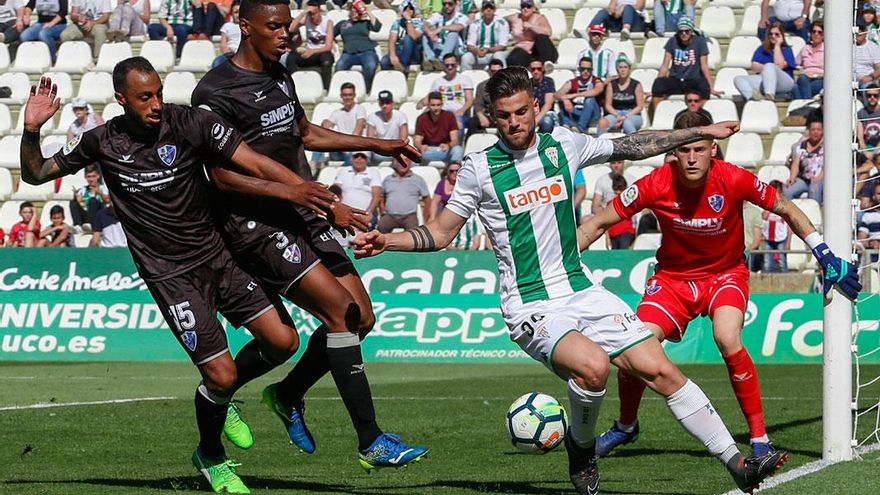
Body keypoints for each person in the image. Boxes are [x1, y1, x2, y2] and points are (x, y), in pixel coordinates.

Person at [353, 66, 791, 495]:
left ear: (536, 107)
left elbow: (633, 144)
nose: (514, 122)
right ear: (491, 116)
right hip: (530, 303)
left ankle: (735, 463)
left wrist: (697, 133)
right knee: (594, 366)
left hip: (581, 288)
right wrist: (388, 241)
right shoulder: (479, 169)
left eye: (521, 112)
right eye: (504, 115)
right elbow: (441, 233)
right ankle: (582, 450)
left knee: (661, 370)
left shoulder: (564, 144)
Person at [20, 64, 357, 493]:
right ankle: (211, 456)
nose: (156, 104)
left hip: (220, 257)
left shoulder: (189, 122)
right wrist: (31, 130)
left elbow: (252, 160)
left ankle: (224, 399)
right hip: (171, 276)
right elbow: (35, 173)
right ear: (121, 99)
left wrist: (301, 192)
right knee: (221, 375)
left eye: (159, 93)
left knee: (283, 342)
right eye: (145, 98)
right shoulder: (100, 140)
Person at [191, 0, 428, 474]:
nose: (285, 34)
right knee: (340, 314)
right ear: (245, 26)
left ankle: (287, 393)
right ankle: (370, 441)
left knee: (362, 319)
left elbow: (304, 133)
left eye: (287, 25)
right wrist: (297, 191)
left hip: (304, 210)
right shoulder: (215, 91)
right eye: (274, 26)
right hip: (257, 225)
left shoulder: (280, 74)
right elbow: (222, 176)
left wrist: (378, 144)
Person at [579, 111, 860, 464]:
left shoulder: (733, 178)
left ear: (713, 148)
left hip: (725, 275)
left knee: (727, 338)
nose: (691, 158)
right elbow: (598, 224)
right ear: (673, 150)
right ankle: (626, 425)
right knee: (634, 347)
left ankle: (759, 439)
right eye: (684, 149)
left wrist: (823, 253)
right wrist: (558, 261)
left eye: (699, 149)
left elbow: (786, 207)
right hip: (672, 280)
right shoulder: (654, 183)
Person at [650, 17, 717, 111]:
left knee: (704, 86)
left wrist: (711, 88)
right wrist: (655, 89)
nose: (684, 34)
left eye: (687, 31)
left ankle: (700, 114)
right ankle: (658, 114)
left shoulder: (700, 42)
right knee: (658, 83)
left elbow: (704, 66)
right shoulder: (673, 41)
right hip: (676, 80)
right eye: (681, 32)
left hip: (693, 80)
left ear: (691, 31)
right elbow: (665, 66)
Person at [734, 22, 797, 101]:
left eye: (777, 34)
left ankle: (769, 95)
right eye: (771, 34)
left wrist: (777, 45)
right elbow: (754, 66)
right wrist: (768, 70)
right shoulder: (762, 49)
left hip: (785, 83)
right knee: (738, 79)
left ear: (781, 36)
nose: (773, 36)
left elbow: (779, 65)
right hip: (765, 80)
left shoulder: (787, 50)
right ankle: (752, 98)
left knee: (769, 66)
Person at [334, 0, 381, 93]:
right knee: (340, 66)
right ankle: (343, 91)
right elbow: (330, 34)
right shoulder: (343, 24)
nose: (355, 15)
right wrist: (332, 41)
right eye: (353, 12)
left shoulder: (365, 23)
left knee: (370, 65)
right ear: (350, 11)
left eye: (358, 12)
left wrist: (367, 11)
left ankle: (366, 90)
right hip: (349, 53)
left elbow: (377, 27)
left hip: (367, 51)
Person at [286, 0, 334, 91]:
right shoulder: (307, 19)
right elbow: (291, 29)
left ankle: (326, 88)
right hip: (309, 53)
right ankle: (292, 86)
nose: (312, 16)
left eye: (314, 14)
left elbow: (328, 47)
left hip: (321, 52)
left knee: (327, 58)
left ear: (319, 11)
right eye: (310, 14)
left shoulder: (328, 22)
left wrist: (312, 51)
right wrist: (304, 12)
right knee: (291, 57)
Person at [317, 82, 367, 166]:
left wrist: (348, 143)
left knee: (351, 156)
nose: (347, 97)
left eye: (350, 95)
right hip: (340, 148)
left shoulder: (359, 109)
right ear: (341, 96)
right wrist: (324, 122)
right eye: (345, 95)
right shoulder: (337, 113)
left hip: (354, 147)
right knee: (319, 140)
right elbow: (326, 126)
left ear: (354, 95)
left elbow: (359, 126)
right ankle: (315, 163)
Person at [377, 157, 431, 233]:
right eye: (400, 160)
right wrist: (382, 211)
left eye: (406, 160)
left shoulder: (418, 180)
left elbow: (427, 200)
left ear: (410, 162)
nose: (403, 163)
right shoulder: (388, 179)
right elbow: (381, 197)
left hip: (409, 216)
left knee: (413, 233)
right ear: (395, 162)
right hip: (390, 215)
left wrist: (426, 218)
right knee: (381, 227)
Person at [597, 55, 644, 136]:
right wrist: (617, 115)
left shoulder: (636, 84)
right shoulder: (612, 84)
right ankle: (600, 143)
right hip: (615, 113)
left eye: (625, 67)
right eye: (620, 67)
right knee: (602, 122)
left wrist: (625, 116)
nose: (623, 70)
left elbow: (640, 106)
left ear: (629, 69)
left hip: (632, 114)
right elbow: (608, 105)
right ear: (617, 69)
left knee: (627, 123)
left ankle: (635, 142)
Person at [555, 56, 604, 134]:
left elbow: (596, 91)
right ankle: (567, 125)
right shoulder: (573, 82)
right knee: (561, 101)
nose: (585, 71)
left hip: (593, 115)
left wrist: (574, 95)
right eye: (583, 69)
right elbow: (556, 95)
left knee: (589, 100)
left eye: (588, 69)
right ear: (579, 69)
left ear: (592, 70)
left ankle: (580, 128)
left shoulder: (596, 81)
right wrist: (565, 99)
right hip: (576, 112)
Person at [414, 91, 464, 164]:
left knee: (458, 150)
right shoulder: (422, 119)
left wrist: (448, 145)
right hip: (428, 150)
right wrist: (420, 146)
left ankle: (454, 170)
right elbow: (417, 140)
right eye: (433, 105)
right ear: (428, 105)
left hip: (445, 150)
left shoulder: (449, 116)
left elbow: (455, 140)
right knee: (413, 152)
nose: (436, 108)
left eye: (438, 105)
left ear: (442, 105)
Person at [334, 152, 382, 225]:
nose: (359, 159)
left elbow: (377, 196)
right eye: (356, 156)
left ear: (367, 160)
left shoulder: (373, 172)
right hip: (345, 213)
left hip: (365, 213)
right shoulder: (343, 171)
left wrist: (368, 212)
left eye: (363, 157)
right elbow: (336, 191)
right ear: (352, 159)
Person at [504, 0, 555, 68]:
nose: (525, 9)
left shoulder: (539, 18)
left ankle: (547, 64)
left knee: (542, 37)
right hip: (523, 51)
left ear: (533, 8)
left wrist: (531, 27)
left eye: (528, 6)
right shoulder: (515, 17)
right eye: (523, 6)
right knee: (514, 57)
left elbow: (548, 32)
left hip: (539, 51)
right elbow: (501, 20)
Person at [784, 118, 824, 203]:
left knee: (814, 190)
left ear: (823, 131)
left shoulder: (827, 146)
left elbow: (829, 166)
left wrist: (819, 177)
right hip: (804, 179)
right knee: (787, 190)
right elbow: (796, 163)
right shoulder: (802, 146)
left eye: (818, 130)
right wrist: (792, 177)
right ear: (809, 131)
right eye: (813, 130)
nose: (815, 132)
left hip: (820, 178)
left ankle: (815, 211)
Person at [422, 0, 469, 72]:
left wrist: (441, 28)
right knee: (425, 34)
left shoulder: (462, 17)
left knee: (453, 33)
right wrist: (430, 33)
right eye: (444, 4)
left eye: (450, 4)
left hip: (456, 49)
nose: (447, 6)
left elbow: (459, 26)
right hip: (440, 46)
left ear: (456, 4)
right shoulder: (438, 15)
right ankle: (430, 61)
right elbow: (425, 24)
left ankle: (441, 60)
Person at [461, 0, 508, 71]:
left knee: (498, 55)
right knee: (466, 57)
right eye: (486, 8)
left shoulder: (502, 23)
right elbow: (470, 45)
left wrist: (488, 50)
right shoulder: (475, 23)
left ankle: (503, 77)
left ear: (494, 10)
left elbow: (503, 46)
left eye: (491, 8)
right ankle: (465, 77)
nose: (488, 10)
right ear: (482, 10)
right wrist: (477, 51)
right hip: (479, 53)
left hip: (495, 52)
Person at [380, 0, 422, 74]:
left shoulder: (420, 22)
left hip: (413, 54)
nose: (408, 10)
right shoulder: (397, 23)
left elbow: (413, 36)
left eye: (411, 8)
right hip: (399, 51)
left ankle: (402, 67)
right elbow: (392, 40)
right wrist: (392, 55)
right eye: (405, 8)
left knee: (408, 38)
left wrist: (408, 20)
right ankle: (396, 76)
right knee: (384, 62)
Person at [367, 90, 409, 164]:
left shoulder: (401, 116)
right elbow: (370, 139)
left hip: (396, 148)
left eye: (387, 102)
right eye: (382, 103)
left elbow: (404, 139)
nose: (384, 106)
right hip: (379, 149)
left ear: (392, 103)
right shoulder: (372, 117)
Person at [465, 57, 502, 135]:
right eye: (493, 71)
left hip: (503, 115)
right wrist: (481, 116)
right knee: (472, 122)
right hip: (488, 115)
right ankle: (472, 142)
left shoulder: (510, 86)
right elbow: (478, 104)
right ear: (489, 71)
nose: (496, 74)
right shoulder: (482, 86)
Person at [762, 180, 790, 273]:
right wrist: (770, 205)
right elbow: (764, 217)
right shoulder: (766, 204)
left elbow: (789, 226)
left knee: (782, 262)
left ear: (781, 192)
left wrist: (788, 243)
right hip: (768, 238)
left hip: (781, 238)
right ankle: (768, 280)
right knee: (767, 263)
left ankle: (785, 279)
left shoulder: (785, 206)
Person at [793, 20, 823, 99]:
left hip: (820, 79)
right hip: (806, 78)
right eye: (814, 31)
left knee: (796, 89)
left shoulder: (827, 50)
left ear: (823, 35)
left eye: (819, 32)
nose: (816, 34)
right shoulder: (805, 48)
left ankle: (805, 101)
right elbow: (795, 63)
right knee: (801, 79)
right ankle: (808, 102)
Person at [605, 175, 634, 249]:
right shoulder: (609, 204)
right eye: (616, 189)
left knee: (623, 251)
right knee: (615, 254)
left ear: (625, 188)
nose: (618, 192)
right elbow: (606, 222)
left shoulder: (628, 202)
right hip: (613, 234)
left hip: (626, 232)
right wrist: (607, 238)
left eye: (621, 189)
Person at [529, 58, 556, 133]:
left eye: (539, 69)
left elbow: (548, 104)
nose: (536, 71)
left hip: (545, 113)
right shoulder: (527, 83)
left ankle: (541, 140)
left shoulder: (548, 82)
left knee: (547, 122)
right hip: (531, 113)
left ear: (543, 69)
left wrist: (537, 119)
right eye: (533, 69)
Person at [212, 0, 240, 68]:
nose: (238, 15)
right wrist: (229, 54)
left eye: (240, 12)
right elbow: (223, 44)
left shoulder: (248, 26)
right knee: (217, 62)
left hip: (244, 55)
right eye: (236, 12)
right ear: (231, 13)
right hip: (230, 54)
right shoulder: (227, 26)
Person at [854, 22, 880, 88]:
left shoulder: (873, 47)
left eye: (861, 30)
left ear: (865, 32)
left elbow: (879, 68)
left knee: (871, 89)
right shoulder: (846, 46)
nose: (858, 33)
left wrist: (871, 77)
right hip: (848, 80)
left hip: (867, 81)